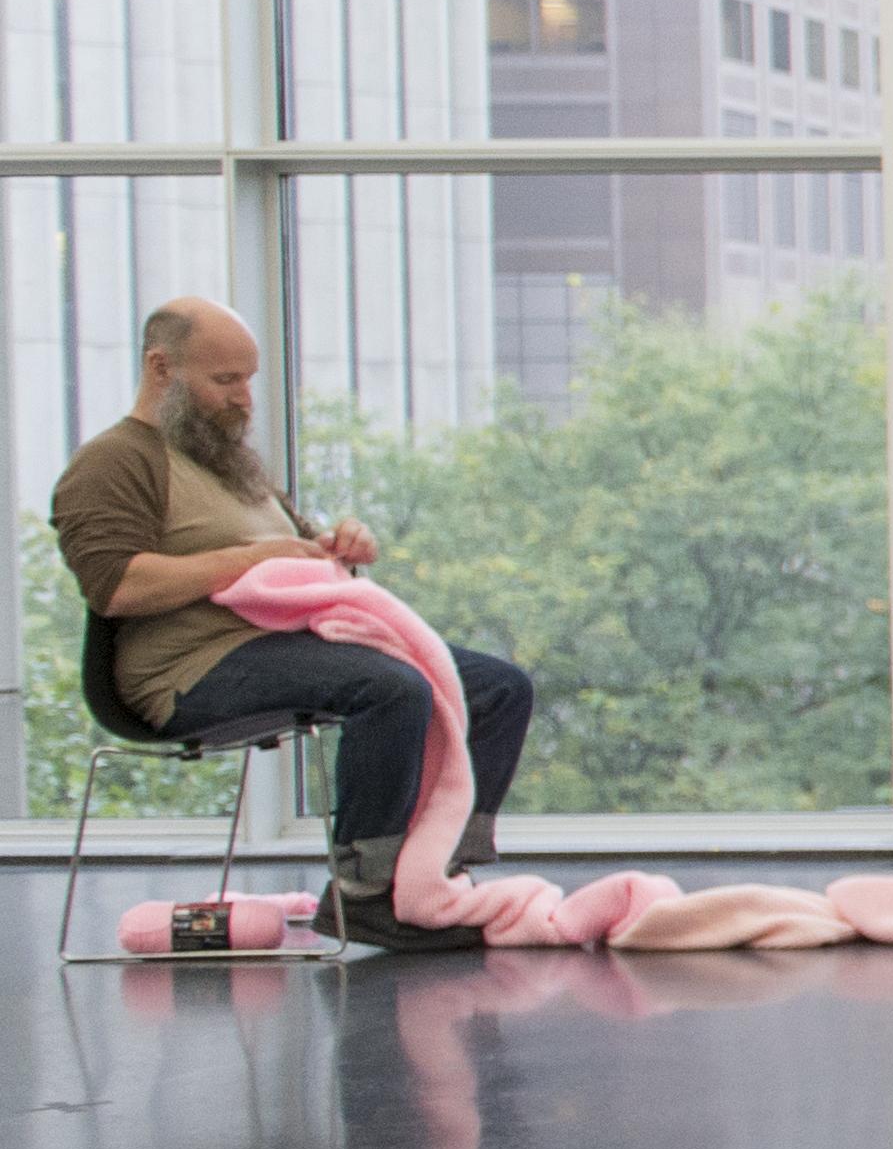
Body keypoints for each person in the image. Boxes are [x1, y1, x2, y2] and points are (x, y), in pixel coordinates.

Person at [45, 298, 530, 953]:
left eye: (248, 378)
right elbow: (117, 585)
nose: (243, 397)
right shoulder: (112, 461)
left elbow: (295, 560)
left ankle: (436, 876)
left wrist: (337, 545)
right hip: (188, 671)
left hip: (288, 641)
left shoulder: (227, 463)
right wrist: (246, 558)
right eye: (225, 380)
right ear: (162, 368)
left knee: (499, 687)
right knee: (389, 688)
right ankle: (367, 894)